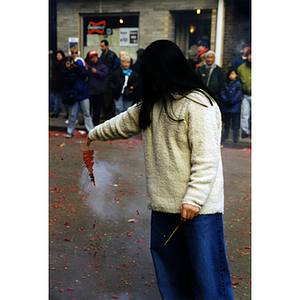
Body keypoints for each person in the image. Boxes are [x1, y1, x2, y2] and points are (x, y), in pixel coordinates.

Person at [86, 40, 234, 300]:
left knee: (208, 280)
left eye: (152, 74)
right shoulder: (152, 104)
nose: (149, 81)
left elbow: (207, 158)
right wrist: (93, 134)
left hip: (199, 210)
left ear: (166, 71)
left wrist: (194, 198)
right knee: (172, 279)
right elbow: (122, 123)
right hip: (164, 207)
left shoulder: (199, 104)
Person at [61, 56, 94, 138]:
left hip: (82, 93)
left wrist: (78, 69)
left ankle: (90, 131)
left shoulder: (78, 70)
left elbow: (85, 76)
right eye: (68, 64)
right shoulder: (67, 72)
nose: (70, 65)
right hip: (74, 94)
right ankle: (70, 131)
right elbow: (69, 82)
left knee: (86, 113)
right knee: (72, 114)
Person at [220, 67, 243, 143]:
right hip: (227, 105)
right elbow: (222, 92)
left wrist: (232, 101)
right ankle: (225, 135)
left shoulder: (238, 83)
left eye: (233, 74)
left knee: (235, 123)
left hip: (235, 106)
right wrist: (226, 100)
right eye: (230, 74)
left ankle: (235, 137)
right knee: (226, 122)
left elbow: (238, 94)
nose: (231, 76)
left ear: (236, 75)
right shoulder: (225, 83)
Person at [85, 50, 108, 125]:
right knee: (88, 108)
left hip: (98, 91)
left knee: (97, 108)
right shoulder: (87, 65)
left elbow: (104, 75)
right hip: (89, 90)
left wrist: (96, 72)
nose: (94, 59)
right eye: (92, 58)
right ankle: (87, 121)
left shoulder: (102, 66)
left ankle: (96, 121)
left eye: (95, 57)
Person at [100, 39, 118, 119]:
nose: (101, 48)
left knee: (108, 97)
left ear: (106, 46)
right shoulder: (103, 54)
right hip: (105, 77)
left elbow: (109, 67)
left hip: (108, 77)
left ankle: (109, 113)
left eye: (102, 46)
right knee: (105, 97)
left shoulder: (110, 55)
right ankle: (107, 113)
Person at [237, 47, 251, 138]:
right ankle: (245, 131)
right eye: (250, 55)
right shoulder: (241, 68)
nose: (252, 57)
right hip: (245, 95)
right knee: (245, 114)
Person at [50, 50, 65, 118]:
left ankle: (56, 112)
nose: (58, 57)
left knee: (62, 99)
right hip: (59, 84)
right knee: (58, 99)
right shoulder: (57, 63)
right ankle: (56, 112)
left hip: (62, 84)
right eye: (57, 55)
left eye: (59, 55)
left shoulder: (62, 64)